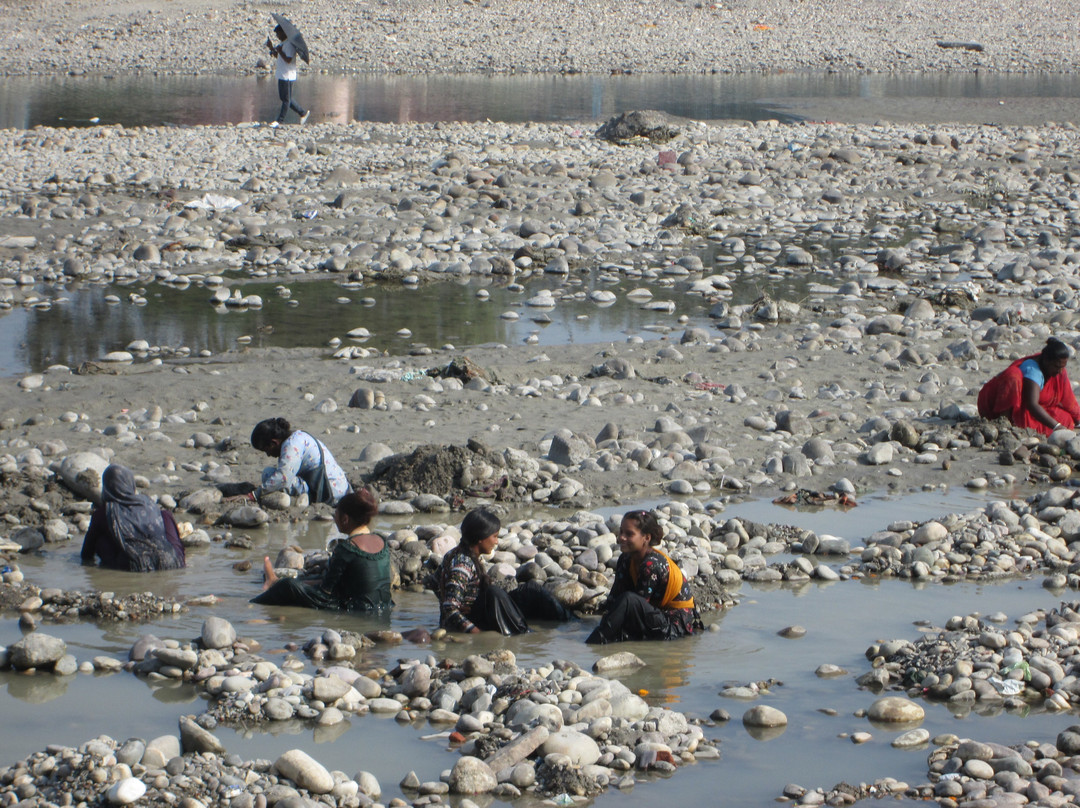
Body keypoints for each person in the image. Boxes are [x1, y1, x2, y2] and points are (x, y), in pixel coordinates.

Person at [434, 509, 572, 635]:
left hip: (479, 611)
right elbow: (450, 608)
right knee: (494, 593)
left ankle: (572, 622)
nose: (496, 542)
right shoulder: (462, 564)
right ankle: (524, 635)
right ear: (480, 538)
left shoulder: (462, 554)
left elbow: (433, 581)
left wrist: (462, 601)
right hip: (473, 621)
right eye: (494, 536)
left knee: (531, 589)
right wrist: (477, 633)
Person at [252, 489, 392, 612]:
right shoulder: (382, 540)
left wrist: (293, 586)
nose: (334, 518)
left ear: (345, 519)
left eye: (335, 514)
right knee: (307, 579)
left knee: (289, 585)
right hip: (384, 606)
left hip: (354, 608)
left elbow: (325, 591)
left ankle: (255, 603)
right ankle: (275, 582)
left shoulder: (347, 548)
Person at [585, 510, 703, 644]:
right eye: (621, 532)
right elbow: (615, 598)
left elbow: (634, 606)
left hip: (674, 626)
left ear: (646, 537)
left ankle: (592, 644)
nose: (621, 538)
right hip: (655, 616)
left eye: (629, 534)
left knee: (628, 601)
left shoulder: (651, 565)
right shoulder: (625, 559)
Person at [81, 464, 186, 572]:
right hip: (171, 561)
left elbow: (86, 553)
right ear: (131, 484)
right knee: (165, 514)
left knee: (100, 540)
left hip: (134, 565)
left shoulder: (105, 512)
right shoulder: (149, 504)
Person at [977, 337, 1080, 436]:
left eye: (1062, 367)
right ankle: (1005, 423)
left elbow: (1068, 400)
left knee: (1067, 419)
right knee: (1013, 376)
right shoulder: (1032, 370)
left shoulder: (1056, 370)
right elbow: (1032, 405)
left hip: (1028, 406)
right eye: (1057, 367)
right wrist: (1056, 427)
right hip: (999, 406)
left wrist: (1077, 418)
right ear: (1046, 361)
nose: (1060, 371)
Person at [250, 417, 351, 505]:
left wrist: (254, 495)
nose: (268, 455)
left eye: (267, 450)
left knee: (268, 474)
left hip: (329, 493)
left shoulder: (291, 446)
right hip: (340, 487)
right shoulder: (298, 436)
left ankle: (305, 499)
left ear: (274, 442)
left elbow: (283, 478)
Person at [267, 24, 309, 126]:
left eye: (278, 34)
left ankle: (279, 121)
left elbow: (288, 60)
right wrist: (272, 48)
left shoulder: (289, 44)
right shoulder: (284, 43)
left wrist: (280, 51)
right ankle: (302, 113)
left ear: (283, 33)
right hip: (282, 74)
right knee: (285, 98)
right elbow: (279, 57)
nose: (277, 36)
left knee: (286, 100)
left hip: (288, 75)